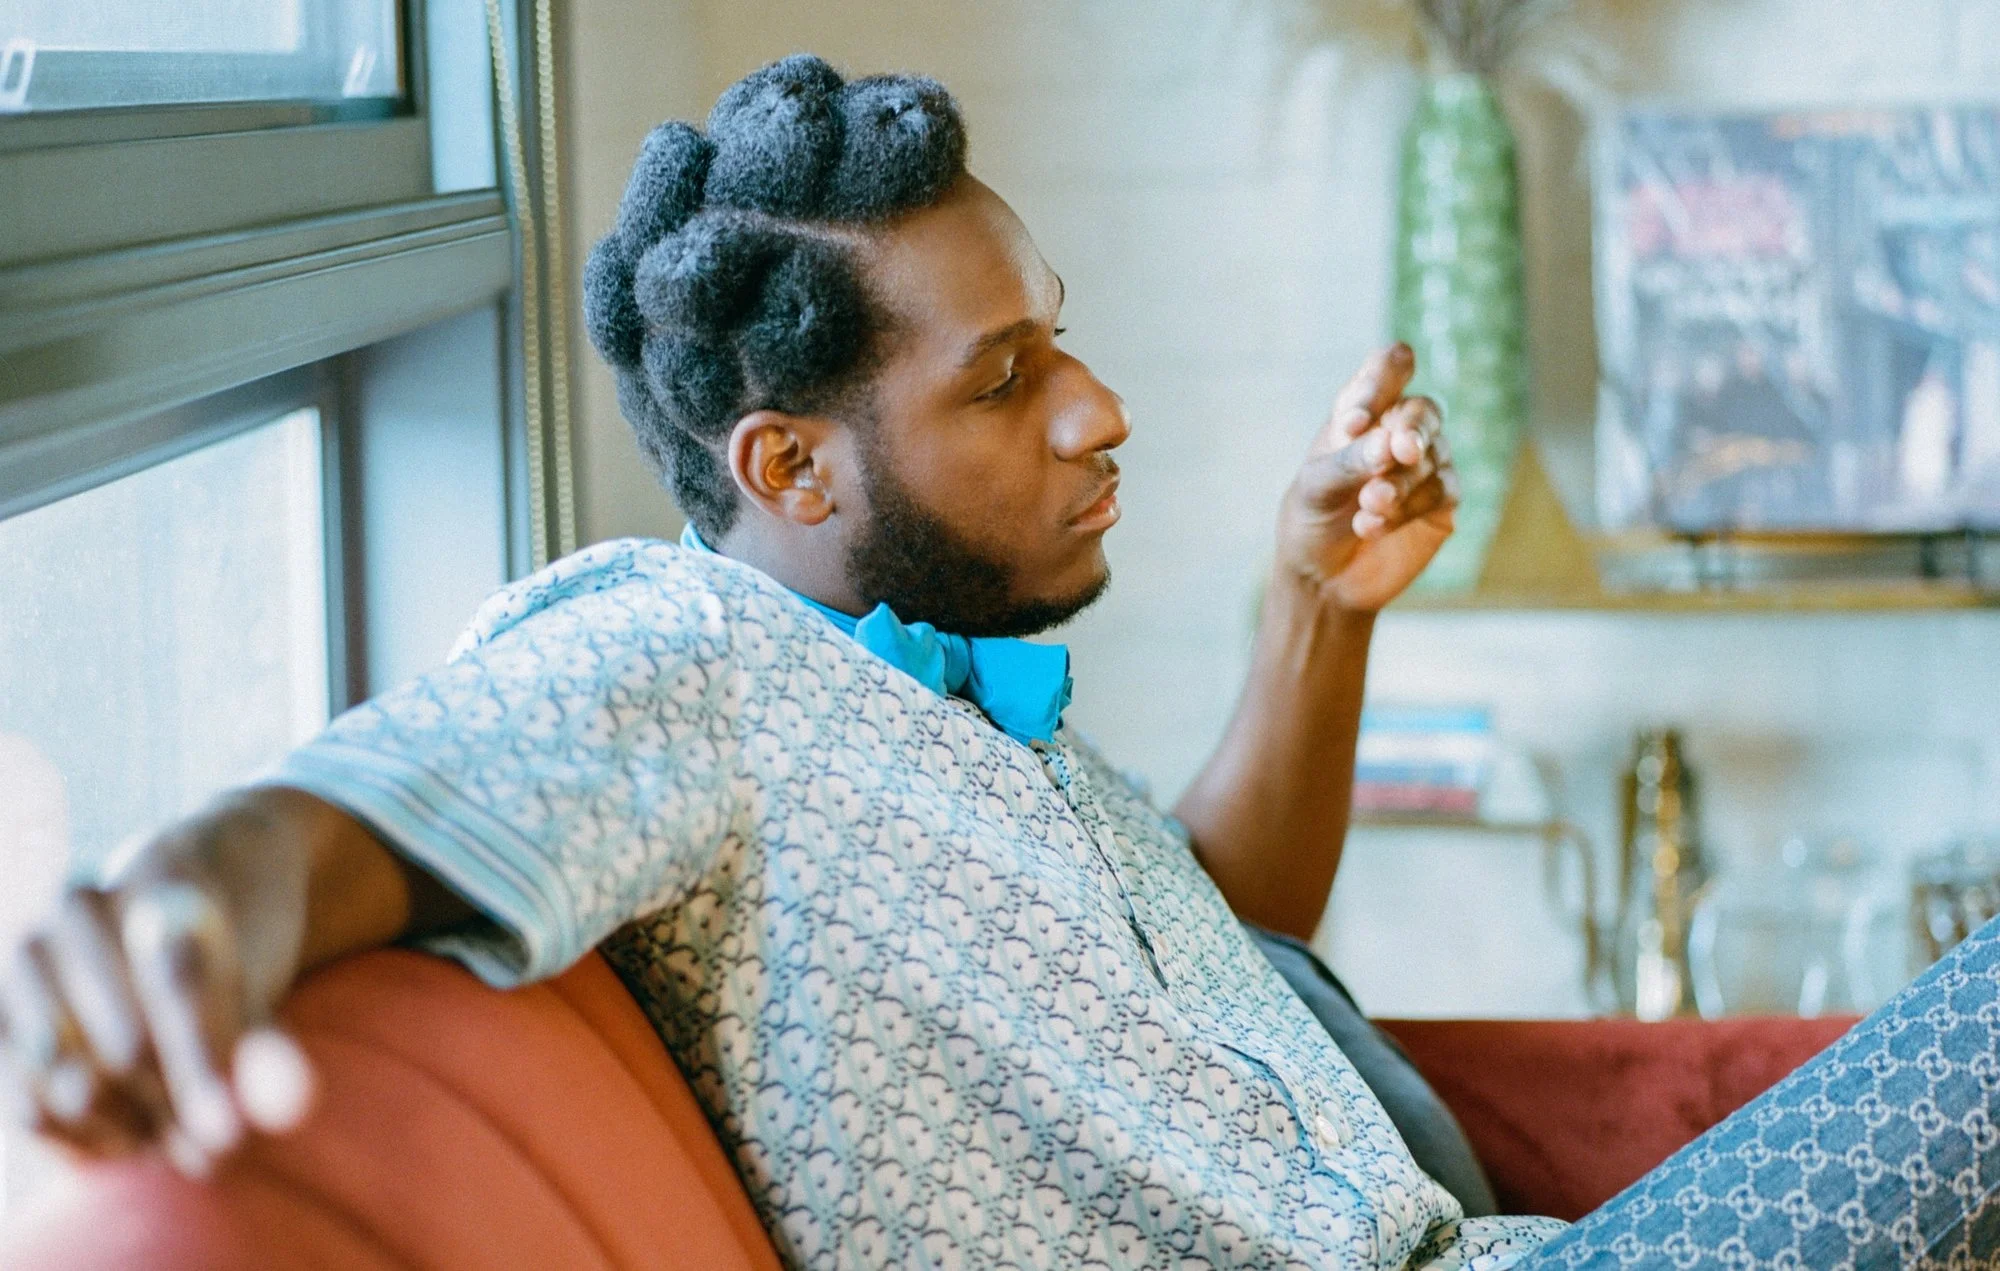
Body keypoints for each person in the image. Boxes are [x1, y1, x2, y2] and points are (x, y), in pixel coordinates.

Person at [4, 56, 1999, 1271]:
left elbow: (1237, 928)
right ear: (788, 461)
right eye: (1010, 381)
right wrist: (192, 897)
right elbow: (429, 768)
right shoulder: (685, 655)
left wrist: (1316, 602)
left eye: (1065, 336)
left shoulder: (945, 700)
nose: (1102, 408)